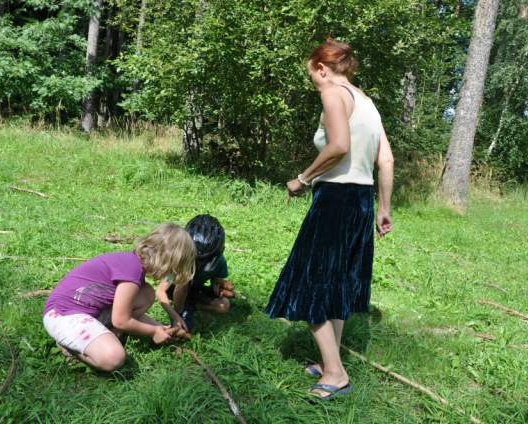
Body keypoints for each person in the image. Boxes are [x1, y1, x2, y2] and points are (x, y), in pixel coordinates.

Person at [265, 38, 394, 400]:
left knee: (312, 281)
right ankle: (329, 360)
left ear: (322, 68)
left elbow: (339, 145)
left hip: (336, 199)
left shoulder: (333, 93)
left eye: (312, 75)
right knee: (336, 282)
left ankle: (336, 375)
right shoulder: (367, 103)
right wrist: (384, 208)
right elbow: (386, 159)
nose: (313, 82)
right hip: (362, 200)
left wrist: (302, 179)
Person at [42, 223, 196, 372]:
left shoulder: (133, 266)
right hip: (62, 315)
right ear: (166, 260)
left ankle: (107, 335)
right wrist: (154, 332)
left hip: (87, 312)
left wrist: (163, 329)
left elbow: (125, 313)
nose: (170, 275)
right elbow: (121, 320)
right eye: (173, 269)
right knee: (113, 357)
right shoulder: (132, 271)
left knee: (147, 293)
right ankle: (71, 349)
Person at [157, 214, 234, 333]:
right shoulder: (180, 259)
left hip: (195, 291)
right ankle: (181, 309)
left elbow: (216, 280)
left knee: (224, 305)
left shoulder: (218, 262)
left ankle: (191, 305)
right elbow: (161, 290)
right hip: (175, 289)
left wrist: (219, 288)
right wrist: (176, 316)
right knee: (184, 280)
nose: (199, 264)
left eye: (204, 261)